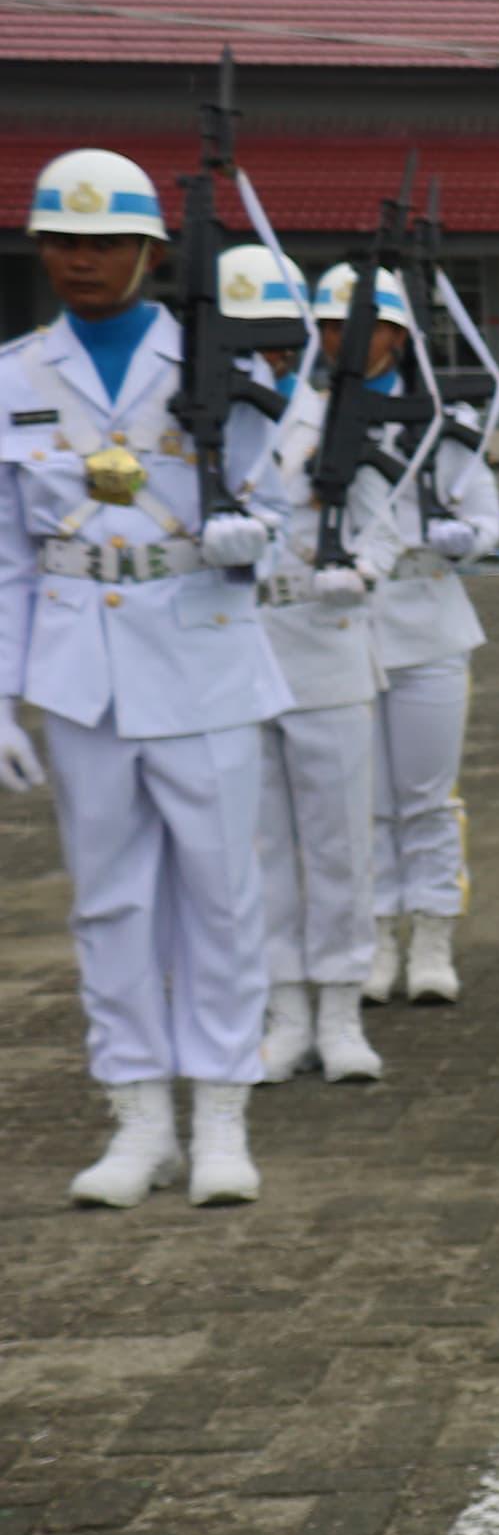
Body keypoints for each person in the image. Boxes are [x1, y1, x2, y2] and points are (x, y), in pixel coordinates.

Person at [0, 149, 290, 1207]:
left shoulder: (221, 361)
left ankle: (221, 1110)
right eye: (65, 241)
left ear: (152, 251)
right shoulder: (14, 376)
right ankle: (137, 1116)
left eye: (107, 242)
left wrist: (245, 537)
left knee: (220, 895)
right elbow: (3, 555)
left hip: (204, 651)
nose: (85, 260)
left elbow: (289, 512)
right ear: (40, 247)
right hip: (79, 667)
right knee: (108, 903)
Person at [237, 260, 407, 1085]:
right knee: (261, 844)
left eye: (275, 339)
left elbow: (387, 523)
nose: (263, 357)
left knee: (339, 840)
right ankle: (285, 1010)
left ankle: (340, 1006)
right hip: (239, 643)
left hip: (327, 641)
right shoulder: (203, 420)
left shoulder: (333, 416)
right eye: (248, 339)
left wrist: (361, 572)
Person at [359, 251, 499, 1008]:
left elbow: (486, 516)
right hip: (345, 622)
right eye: (334, 326)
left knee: (426, 793)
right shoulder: (312, 416)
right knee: (366, 800)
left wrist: (464, 538)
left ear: (401, 334)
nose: (352, 339)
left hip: (429, 619)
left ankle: (434, 935)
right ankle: (377, 934)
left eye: (374, 325)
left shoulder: (443, 420)